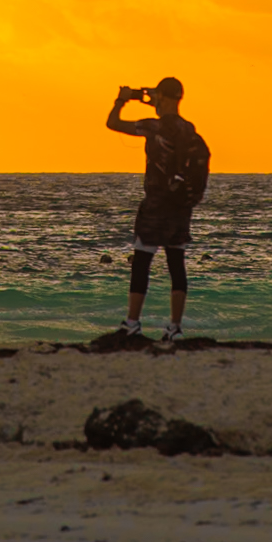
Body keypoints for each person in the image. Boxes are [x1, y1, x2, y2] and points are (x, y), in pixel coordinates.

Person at [105, 77, 211, 343]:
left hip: (155, 204)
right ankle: (174, 327)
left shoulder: (154, 127)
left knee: (142, 261)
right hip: (180, 207)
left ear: (163, 97)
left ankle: (132, 323)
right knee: (177, 264)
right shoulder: (188, 129)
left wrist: (123, 99)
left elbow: (113, 123)